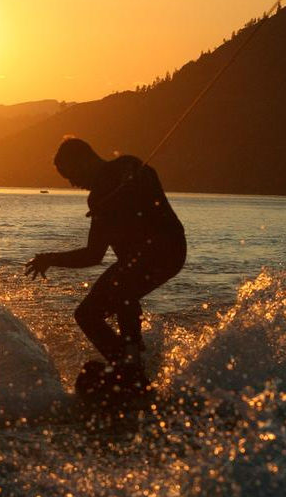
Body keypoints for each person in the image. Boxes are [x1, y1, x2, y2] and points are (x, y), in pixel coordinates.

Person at [25, 137, 186, 396]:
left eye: (71, 175)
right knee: (87, 314)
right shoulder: (99, 198)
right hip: (138, 260)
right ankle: (128, 362)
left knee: (124, 287)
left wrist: (132, 186)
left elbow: (149, 179)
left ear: (85, 160)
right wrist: (50, 258)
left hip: (167, 250)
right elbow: (94, 255)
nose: (73, 183)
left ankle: (131, 366)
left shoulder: (129, 167)